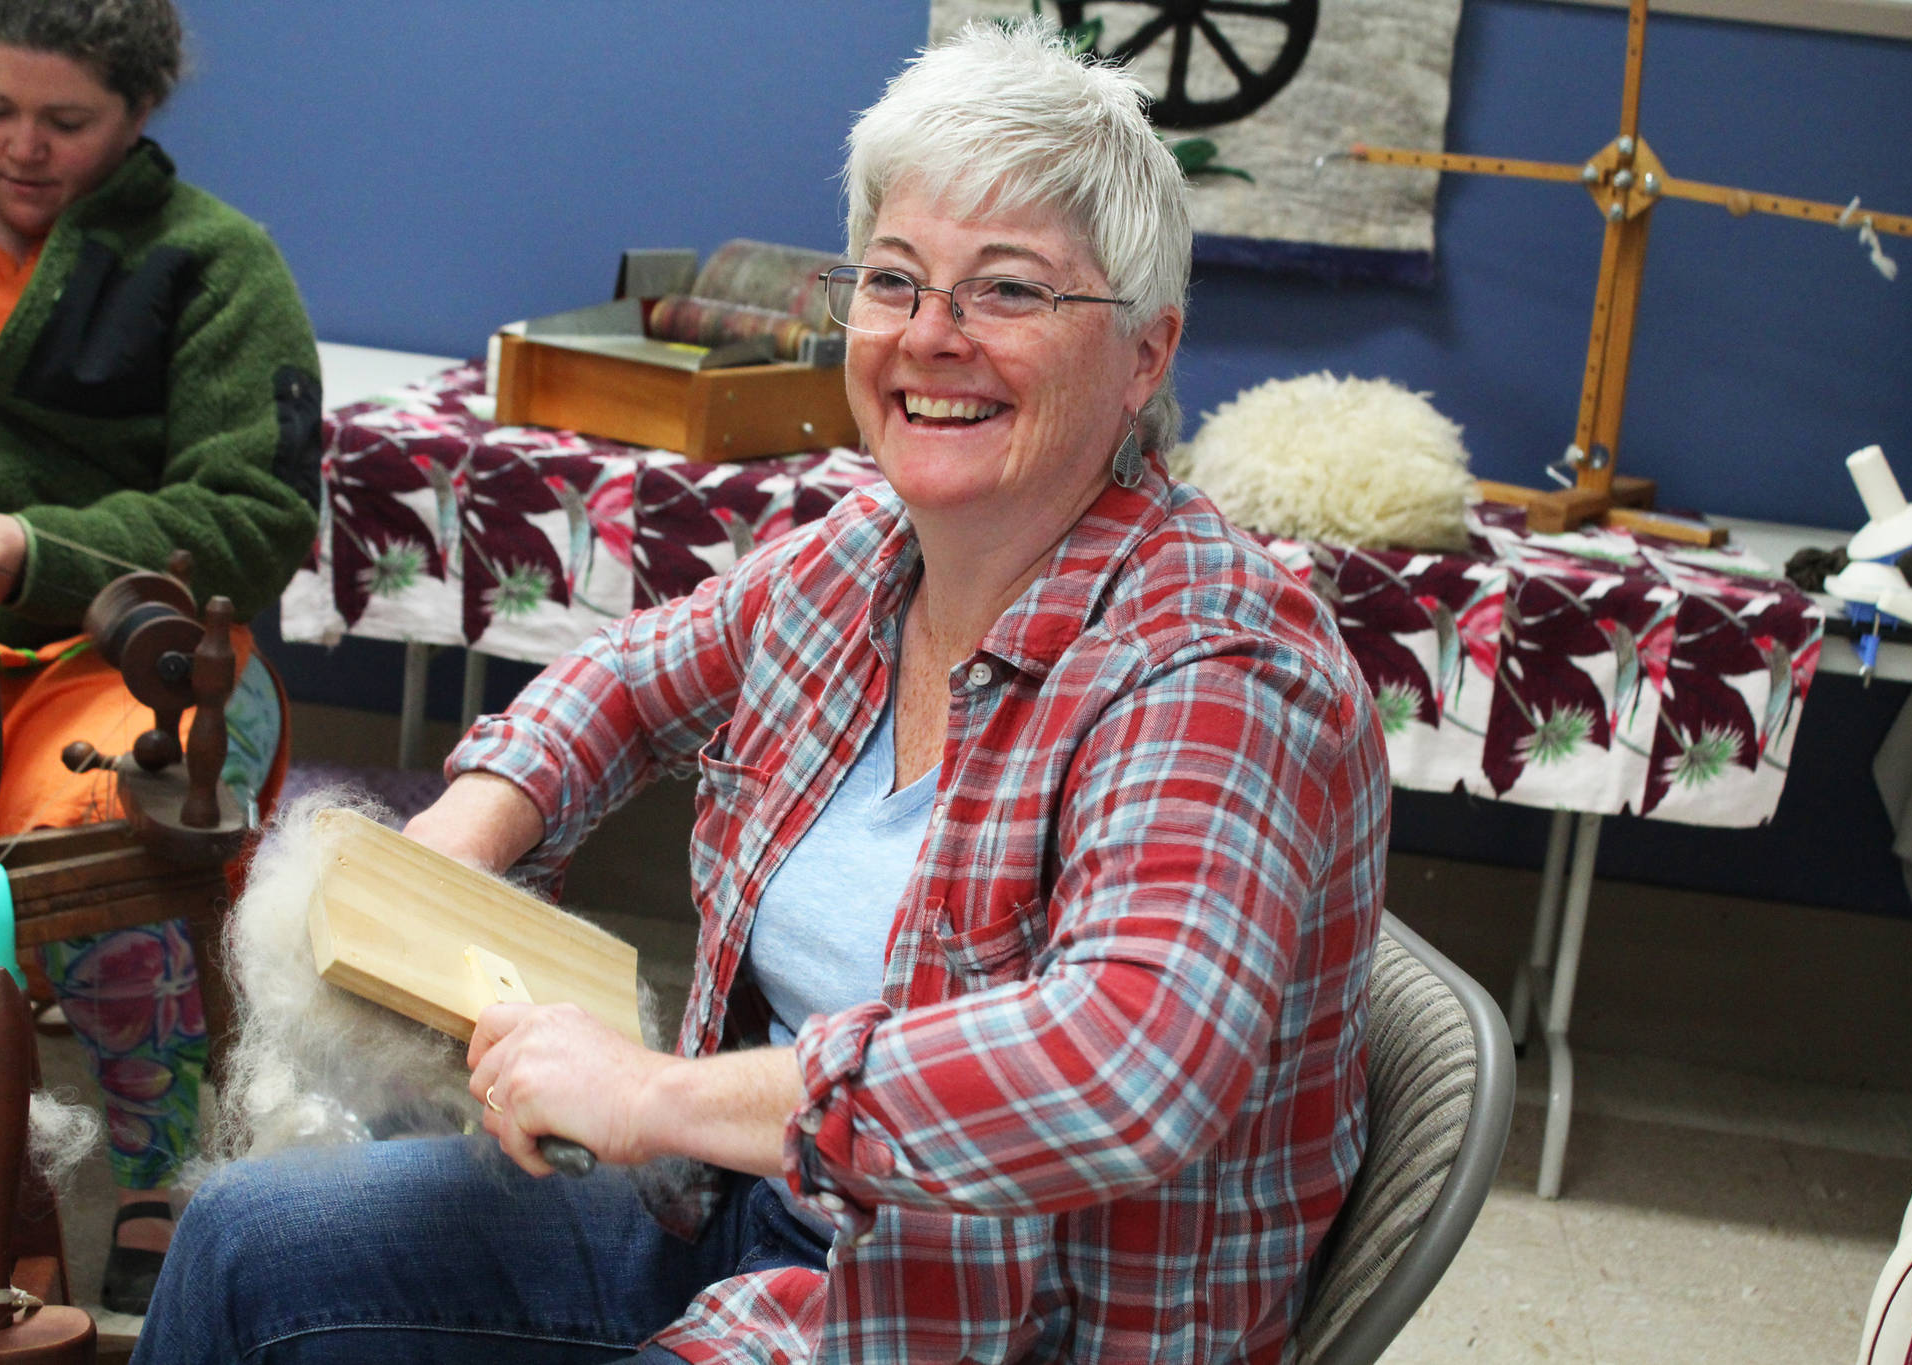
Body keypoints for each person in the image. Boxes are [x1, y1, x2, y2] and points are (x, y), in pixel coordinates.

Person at [137, 19, 1388, 1364]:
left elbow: (1123, 1065)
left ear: (1146, 354)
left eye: (1010, 292)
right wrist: (471, 831)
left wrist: (660, 1094)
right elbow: (626, 681)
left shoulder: (1219, 665)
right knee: (239, 1245)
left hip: (983, 1318)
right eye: (896, 281)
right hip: (747, 1210)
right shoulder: (867, 555)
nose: (933, 337)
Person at [0, 0, 321, 1315]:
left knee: (90, 855)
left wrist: (40, 549)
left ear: (136, 114)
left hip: (121, 640)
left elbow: (255, 519)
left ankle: (154, 1171)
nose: (24, 147)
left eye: (66, 122)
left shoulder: (215, 265)